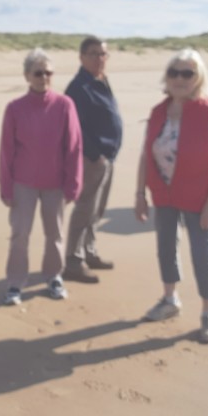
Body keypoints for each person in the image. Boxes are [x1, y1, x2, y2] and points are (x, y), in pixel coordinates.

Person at [134, 49, 208, 344]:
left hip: (198, 196)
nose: (179, 78)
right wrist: (140, 193)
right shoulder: (158, 112)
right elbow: (146, 154)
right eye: (173, 72)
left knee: (202, 253)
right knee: (165, 247)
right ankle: (170, 299)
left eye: (187, 73)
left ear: (198, 78)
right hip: (163, 193)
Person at [0, 48, 83, 306]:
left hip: (55, 183)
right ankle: (15, 283)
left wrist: (73, 184)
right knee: (20, 235)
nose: (43, 77)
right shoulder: (14, 108)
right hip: (22, 183)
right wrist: (6, 188)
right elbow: (6, 151)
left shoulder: (64, 105)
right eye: (38, 73)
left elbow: (74, 147)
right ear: (27, 76)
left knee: (54, 235)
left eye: (48, 73)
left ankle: (53, 276)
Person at [63, 36, 122, 284]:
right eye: (94, 54)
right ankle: (73, 261)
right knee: (85, 208)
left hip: (107, 156)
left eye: (103, 54)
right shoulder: (79, 87)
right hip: (91, 159)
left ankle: (90, 251)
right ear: (82, 57)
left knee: (97, 210)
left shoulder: (100, 81)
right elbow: (74, 128)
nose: (100, 59)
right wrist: (94, 155)